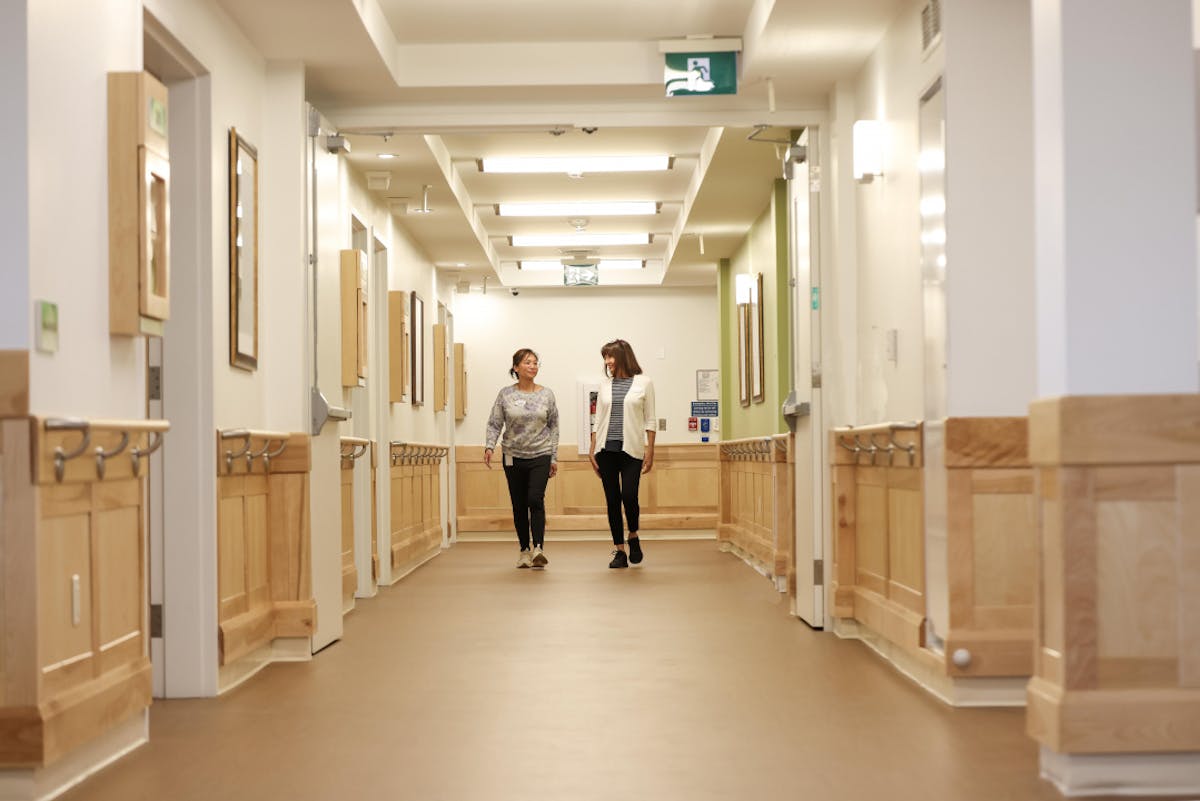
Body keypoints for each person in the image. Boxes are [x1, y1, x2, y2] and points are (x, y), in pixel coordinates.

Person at [484, 348, 559, 568]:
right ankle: (524, 550)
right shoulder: (506, 394)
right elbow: (495, 422)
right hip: (512, 456)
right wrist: (489, 446)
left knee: (535, 499)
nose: (533, 366)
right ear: (516, 367)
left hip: (541, 453)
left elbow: (554, 426)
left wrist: (553, 456)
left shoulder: (547, 394)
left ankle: (538, 549)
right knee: (519, 504)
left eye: (535, 363)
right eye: (527, 363)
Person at [589, 339, 655, 569]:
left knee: (629, 495)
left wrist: (651, 450)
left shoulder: (644, 383)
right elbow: (598, 420)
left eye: (611, 356)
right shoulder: (604, 385)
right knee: (612, 500)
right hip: (606, 449)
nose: (607, 362)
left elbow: (650, 419)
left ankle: (633, 535)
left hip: (632, 449)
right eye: (605, 357)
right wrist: (592, 447)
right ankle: (619, 551)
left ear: (623, 357)